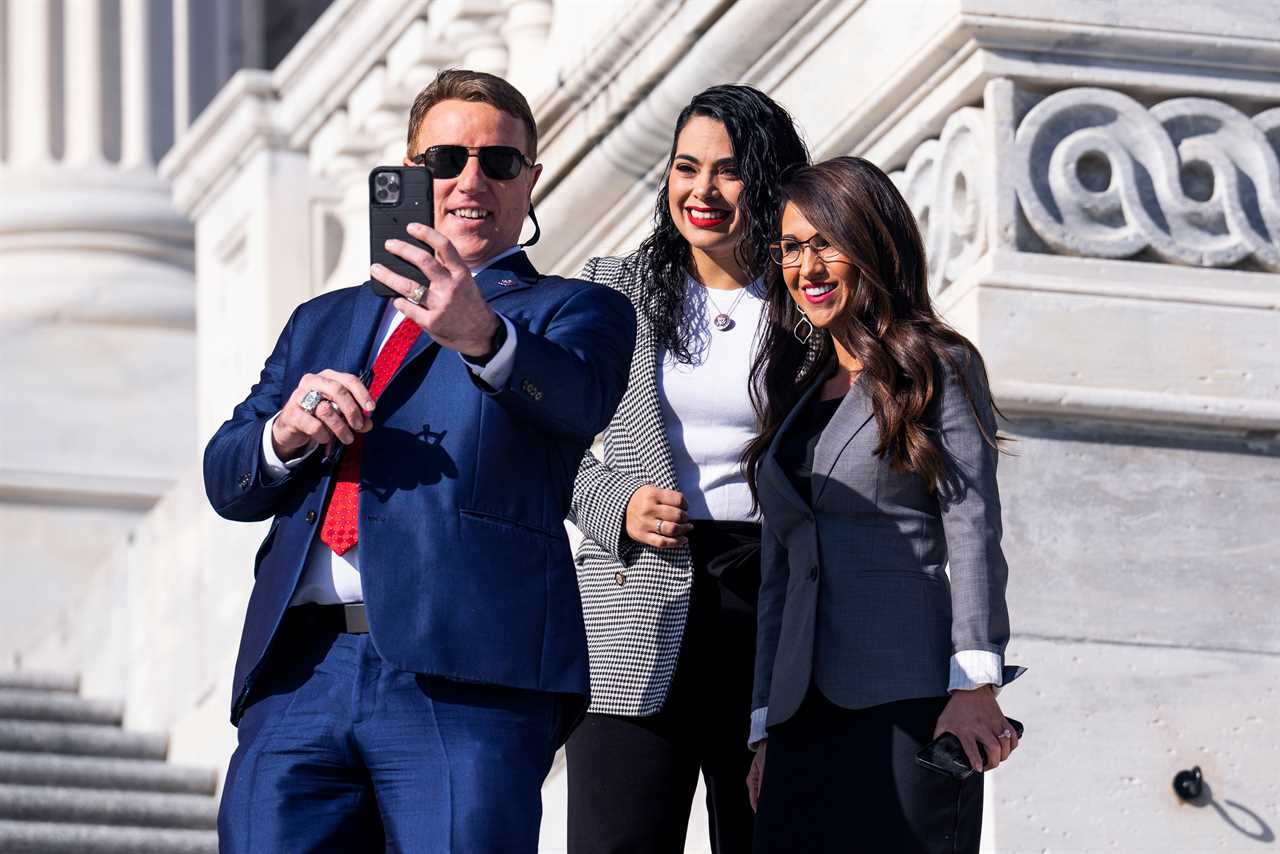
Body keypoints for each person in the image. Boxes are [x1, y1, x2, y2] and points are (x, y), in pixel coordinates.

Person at [206, 69, 635, 853]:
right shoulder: (322, 321)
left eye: (499, 163)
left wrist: (483, 335)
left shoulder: (575, 309)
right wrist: (288, 434)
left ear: (530, 181)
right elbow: (226, 475)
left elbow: (579, 401)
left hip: (468, 676)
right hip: (302, 671)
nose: (471, 180)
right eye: (447, 159)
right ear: (409, 172)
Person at [741, 156, 1021, 853]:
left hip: (908, 697)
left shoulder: (936, 365)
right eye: (791, 247)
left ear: (872, 242)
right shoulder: (793, 395)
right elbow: (780, 574)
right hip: (800, 717)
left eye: (825, 242)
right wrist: (764, 724)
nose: (807, 266)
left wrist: (976, 682)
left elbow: (972, 524)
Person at [565, 85, 808, 853]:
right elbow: (547, 443)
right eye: (685, 167)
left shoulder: (810, 300)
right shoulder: (613, 290)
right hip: (634, 598)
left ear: (767, 181)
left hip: (771, 603)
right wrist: (615, 504)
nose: (701, 191)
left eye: (728, 172)